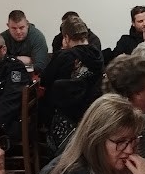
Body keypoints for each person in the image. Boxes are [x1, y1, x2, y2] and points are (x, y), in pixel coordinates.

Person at [40, 16, 104, 150]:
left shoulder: (64, 56)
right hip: (91, 114)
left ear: (66, 38)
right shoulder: (97, 55)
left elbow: (45, 80)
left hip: (65, 117)